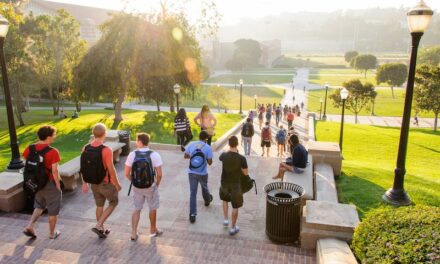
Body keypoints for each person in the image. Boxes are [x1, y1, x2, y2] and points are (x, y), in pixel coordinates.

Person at [81, 123, 122, 239]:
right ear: (104, 134)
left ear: (93, 134)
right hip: (106, 184)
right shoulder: (106, 150)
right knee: (113, 202)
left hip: (93, 183)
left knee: (99, 205)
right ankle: (99, 225)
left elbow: (83, 167)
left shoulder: (86, 147)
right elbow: (111, 169)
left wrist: (84, 183)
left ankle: (101, 229)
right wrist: (117, 184)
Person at [22, 125, 62, 240]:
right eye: (54, 135)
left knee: (39, 205)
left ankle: (30, 226)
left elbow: (28, 164)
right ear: (48, 137)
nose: (54, 137)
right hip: (49, 183)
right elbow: (54, 171)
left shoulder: (30, 148)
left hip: (36, 183)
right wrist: (58, 184)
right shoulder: (53, 151)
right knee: (53, 209)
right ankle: (52, 233)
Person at [124, 133, 163, 240]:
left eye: (136, 140)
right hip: (150, 186)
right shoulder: (154, 155)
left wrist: (134, 181)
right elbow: (159, 174)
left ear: (140, 142)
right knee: (153, 208)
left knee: (137, 209)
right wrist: (156, 184)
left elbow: (126, 173)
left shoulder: (132, 155)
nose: (136, 142)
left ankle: (133, 233)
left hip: (137, 187)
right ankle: (153, 229)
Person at [219, 136, 249, 236]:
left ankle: (225, 220)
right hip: (236, 185)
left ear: (228, 144)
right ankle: (233, 228)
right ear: (237, 144)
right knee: (235, 206)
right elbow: (245, 173)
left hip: (224, 183)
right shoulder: (242, 158)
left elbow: (221, 158)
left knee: (225, 200)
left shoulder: (223, 155)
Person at [184, 131, 214, 223]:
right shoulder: (208, 148)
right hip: (202, 173)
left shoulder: (192, 144)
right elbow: (209, 163)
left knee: (193, 193)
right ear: (206, 138)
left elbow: (185, 156)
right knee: (204, 187)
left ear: (199, 136)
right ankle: (207, 200)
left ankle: (192, 215)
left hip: (191, 172)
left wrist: (193, 156)